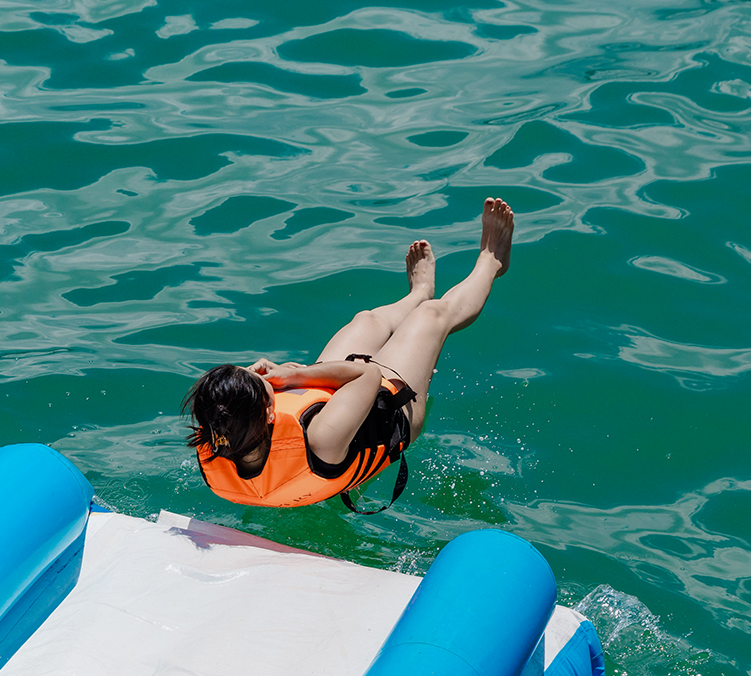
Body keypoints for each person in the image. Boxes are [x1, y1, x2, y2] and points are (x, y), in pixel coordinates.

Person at [184, 197, 515, 512]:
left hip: (304, 449)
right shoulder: (320, 437)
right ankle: (491, 262)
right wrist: (293, 374)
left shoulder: (215, 440)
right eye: (257, 380)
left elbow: (234, 411)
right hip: (391, 415)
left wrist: (255, 389)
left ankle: (416, 294)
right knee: (431, 317)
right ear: (269, 414)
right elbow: (367, 374)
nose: (259, 373)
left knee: (367, 321)